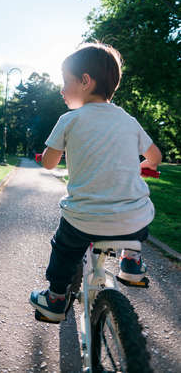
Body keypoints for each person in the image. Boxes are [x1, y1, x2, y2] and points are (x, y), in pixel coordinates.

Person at [29, 42, 162, 322]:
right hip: (132, 220)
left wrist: (50, 154)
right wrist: (143, 165)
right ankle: (131, 260)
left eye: (66, 82)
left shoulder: (69, 119)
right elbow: (155, 156)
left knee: (64, 248)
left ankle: (55, 298)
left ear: (86, 81)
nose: (62, 89)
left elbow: (50, 163)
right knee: (138, 211)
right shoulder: (128, 120)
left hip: (83, 220)